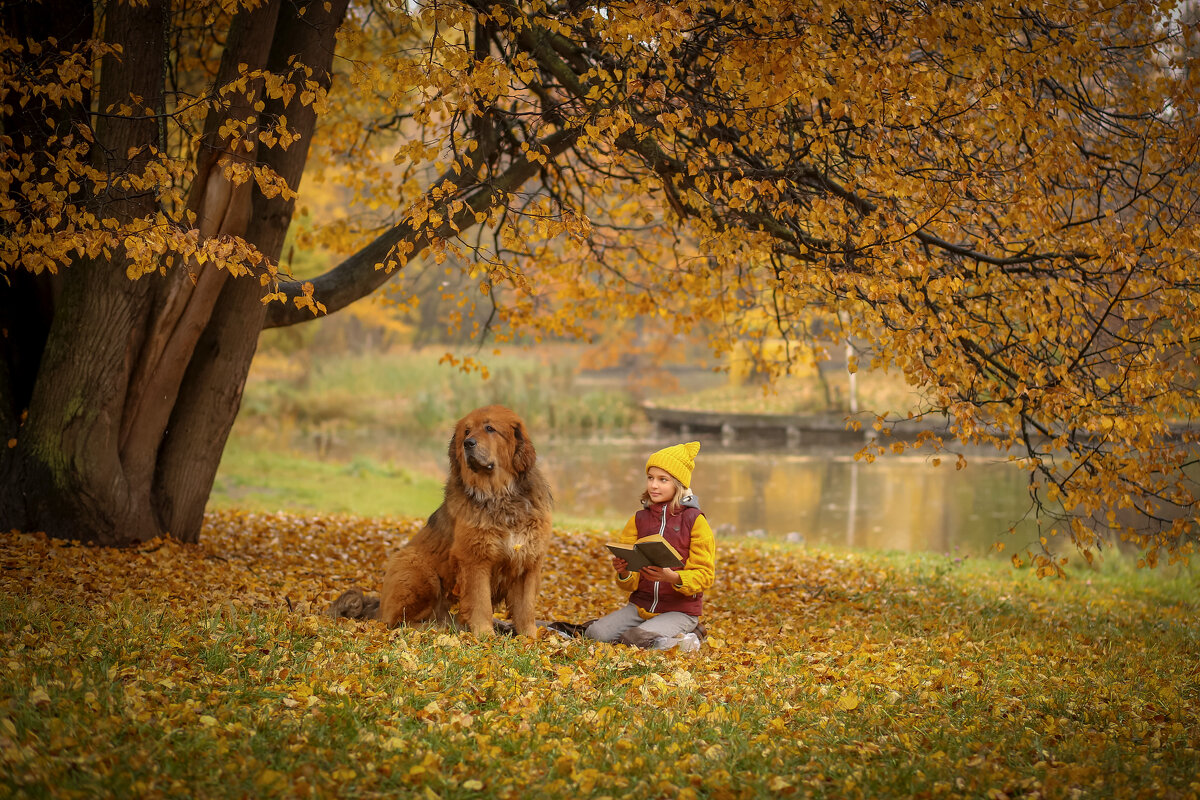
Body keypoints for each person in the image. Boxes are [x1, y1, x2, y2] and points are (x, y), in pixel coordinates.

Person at [585, 441, 716, 650]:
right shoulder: (638, 520)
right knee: (595, 634)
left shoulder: (695, 520)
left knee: (634, 639)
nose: (654, 485)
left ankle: (690, 638)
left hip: (680, 610)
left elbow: (705, 575)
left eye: (663, 480)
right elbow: (629, 584)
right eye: (650, 478)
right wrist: (624, 572)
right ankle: (654, 634)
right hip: (641, 606)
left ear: (678, 484)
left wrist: (673, 577)